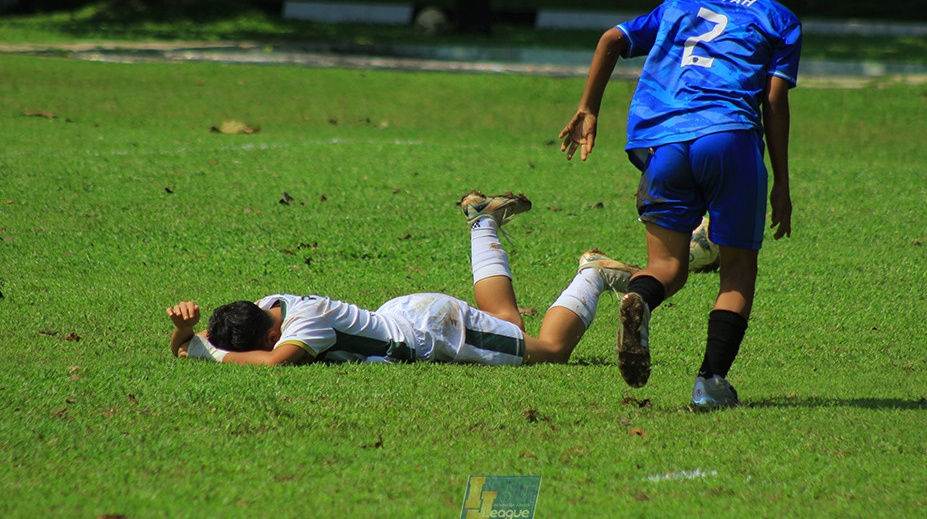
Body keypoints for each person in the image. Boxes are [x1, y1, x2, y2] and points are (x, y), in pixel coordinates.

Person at [558, 0, 801, 409]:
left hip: (664, 144)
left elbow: (611, 40)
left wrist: (588, 107)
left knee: (666, 265)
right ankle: (710, 383)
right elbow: (774, 102)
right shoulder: (780, 19)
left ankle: (641, 299)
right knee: (736, 271)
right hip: (728, 138)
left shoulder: (678, 6)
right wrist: (781, 182)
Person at [167, 191, 639, 367]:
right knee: (504, 318)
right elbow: (200, 345)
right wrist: (185, 332)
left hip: (434, 332)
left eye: (266, 343)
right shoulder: (274, 301)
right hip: (406, 312)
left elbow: (269, 364)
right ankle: (482, 221)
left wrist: (210, 351)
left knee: (551, 351)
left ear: (272, 334)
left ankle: (592, 274)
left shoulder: (300, 329)